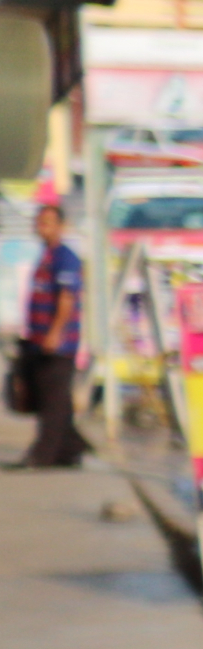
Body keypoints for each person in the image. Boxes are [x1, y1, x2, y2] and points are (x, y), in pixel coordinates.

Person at [15, 197, 82, 468]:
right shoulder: (45, 256)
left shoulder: (65, 257)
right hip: (38, 339)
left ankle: (43, 455)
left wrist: (55, 333)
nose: (42, 228)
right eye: (39, 223)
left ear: (61, 226)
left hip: (58, 344)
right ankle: (71, 449)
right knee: (53, 399)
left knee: (52, 402)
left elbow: (66, 298)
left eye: (48, 223)